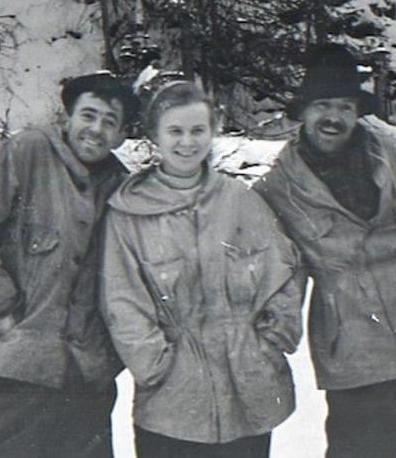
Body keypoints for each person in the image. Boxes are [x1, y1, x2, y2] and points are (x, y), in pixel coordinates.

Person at [253, 44, 396, 458]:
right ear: (303, 111)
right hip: (357, 354)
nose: (334, 117)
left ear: (358, 112)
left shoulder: (392, 153)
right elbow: (275, 276)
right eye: (323, 105)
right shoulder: (277, 189)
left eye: (345, 106)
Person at [0, 72, 140, 458]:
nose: (96, 129)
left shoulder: (121, 187)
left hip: (83, 380)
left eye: (109, 122)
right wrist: (0, 311)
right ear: (68, 117)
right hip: (8, 369)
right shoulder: (28, 152)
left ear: (120, 136)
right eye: (89, 115)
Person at [101, 81, 304, 458]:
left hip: (249, 391)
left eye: (198, 130)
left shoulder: (241, 201)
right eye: (175, 131)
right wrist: (157, 367)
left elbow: (286, 274)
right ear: (154, 137)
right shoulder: (128, 213)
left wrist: (271, 342)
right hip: (173, 403)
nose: (187, 142)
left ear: (213, 131)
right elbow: (122, 301)